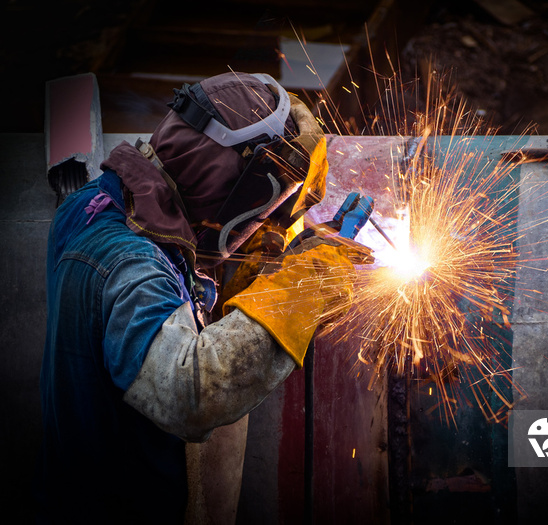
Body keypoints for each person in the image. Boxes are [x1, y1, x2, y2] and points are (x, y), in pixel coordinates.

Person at [35, 71, 356, 524]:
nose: (263, 221)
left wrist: (264, 247)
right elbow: (189, 391)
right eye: (266, 205)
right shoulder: (131, 266)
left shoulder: (93, 203)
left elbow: (182, 264)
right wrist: (305, 284)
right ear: (230, 183)